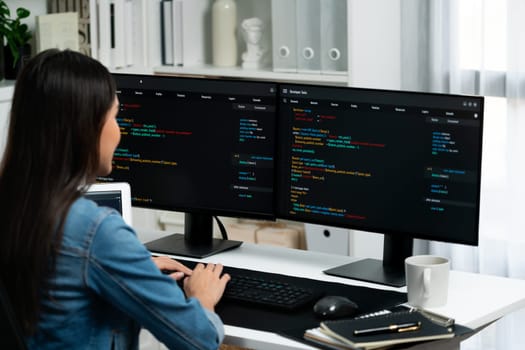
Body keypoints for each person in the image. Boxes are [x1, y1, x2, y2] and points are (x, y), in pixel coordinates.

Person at [0, 49, 230, 349]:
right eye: (115, 116)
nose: (119, 132)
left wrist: (134, 264)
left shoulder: (13, 202)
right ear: (87, 127)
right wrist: (201, 298)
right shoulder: (94, 229)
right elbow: (200, 340)